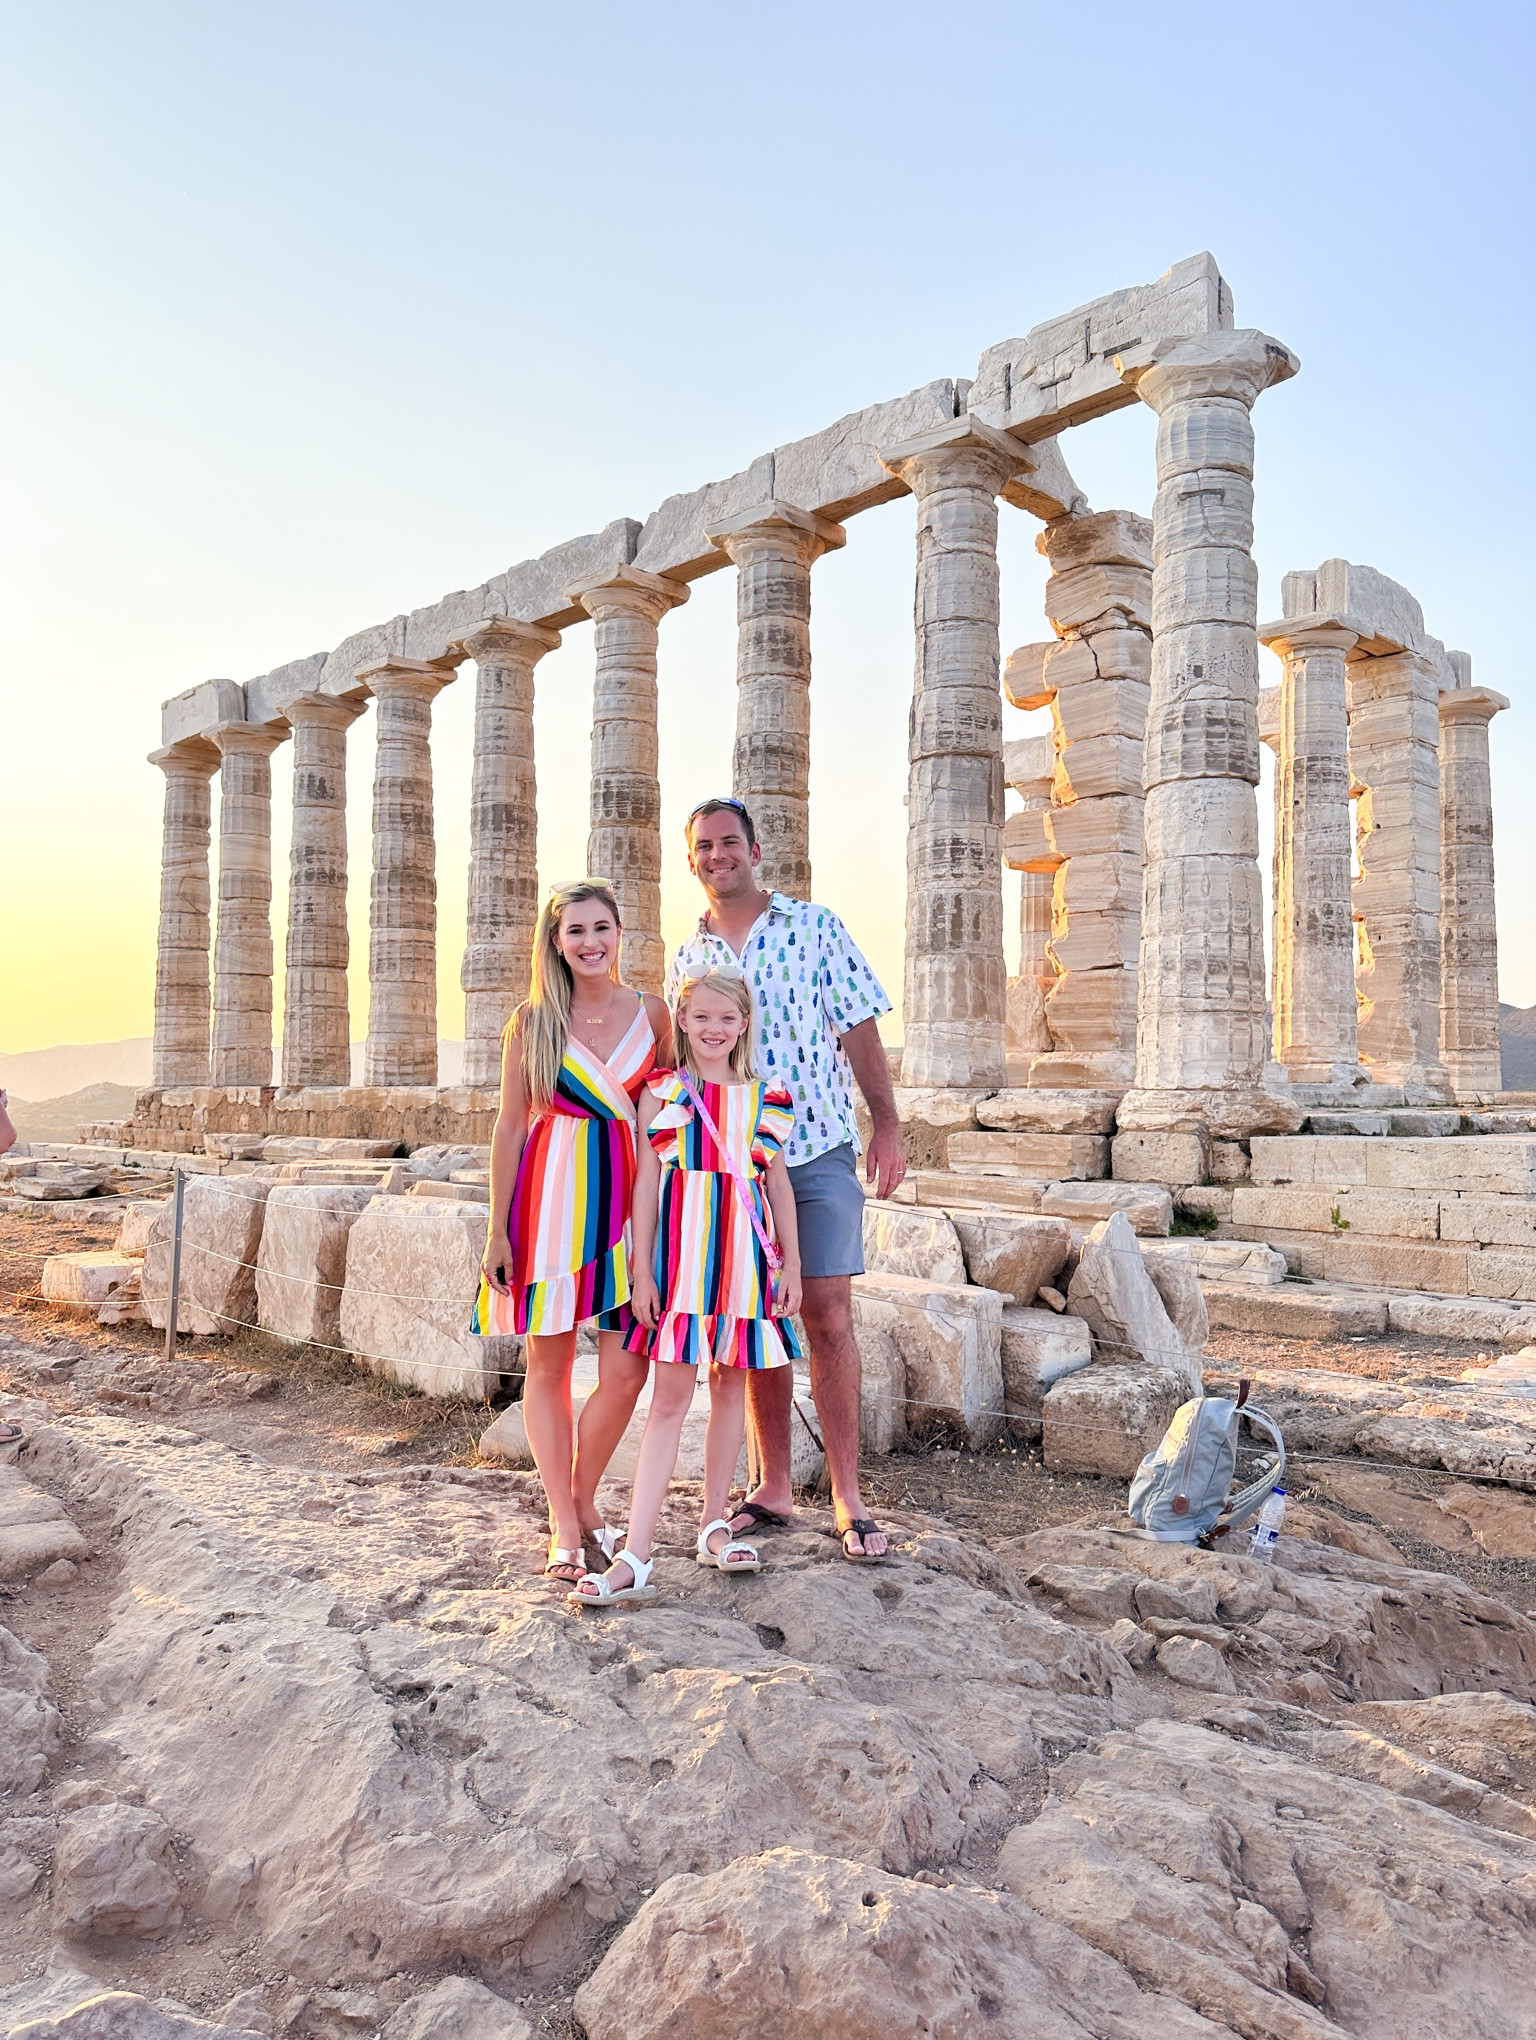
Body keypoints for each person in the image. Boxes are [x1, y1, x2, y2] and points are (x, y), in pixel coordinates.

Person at [667, 797, 905, 1563]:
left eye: (729, 842)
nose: (717, 856)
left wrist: (888, 1124)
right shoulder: (689, 957)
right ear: (693, 858)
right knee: (754, 1316)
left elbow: (859, 1022)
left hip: (817, 1145)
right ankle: (770, 1489)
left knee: (829, 1311)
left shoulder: (815, 926)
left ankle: (847, 1495)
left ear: (755, 849)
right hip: (732, 1165)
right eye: (704, 846)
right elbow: (679, 1067)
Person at [570, 967, 802, 1606]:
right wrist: (641, 1270)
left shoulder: (768, 1097)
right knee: (670, 1400)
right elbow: (646, 1185)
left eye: (727, 1018)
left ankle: (713, 1526)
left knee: (730, 1389)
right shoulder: (666, 1091)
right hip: (680, 1269)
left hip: (746, 1269)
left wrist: (794, 1269)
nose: (713, 1029)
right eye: (701, 1017)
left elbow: (776, 1188)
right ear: (682, 1019)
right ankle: (636, 1554)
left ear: (745, 1023)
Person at [476, 879, 673, 1586]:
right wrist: (497, 1230)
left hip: (627, 1202)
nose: (590, 943)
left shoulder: (656, 1014)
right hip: (548, 1201)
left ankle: (582, 1499)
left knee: (627, 1369)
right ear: (555, 944)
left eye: (601, 928)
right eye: (575, 932)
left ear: (621, 933)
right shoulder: (532, 1022)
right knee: (549, 1367)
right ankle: (564, 1521)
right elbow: (508, 1126)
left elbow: (676, 1111)